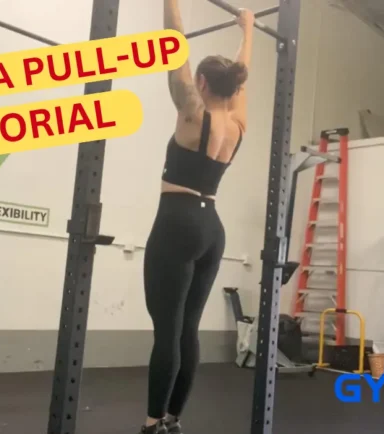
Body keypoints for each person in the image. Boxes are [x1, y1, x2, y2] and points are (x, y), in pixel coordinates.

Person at [138, 2, 255, 434]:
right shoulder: (238, 124)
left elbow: (173, 49)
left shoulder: (192, 114)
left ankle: (152, 423)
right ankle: (172, 419)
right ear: (231, 88)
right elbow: (241, 77)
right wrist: (249, 30)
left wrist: (172, 4)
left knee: (166, 329)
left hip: (177, 222)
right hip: (212, 227)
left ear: (202, 82)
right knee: (188, 327)